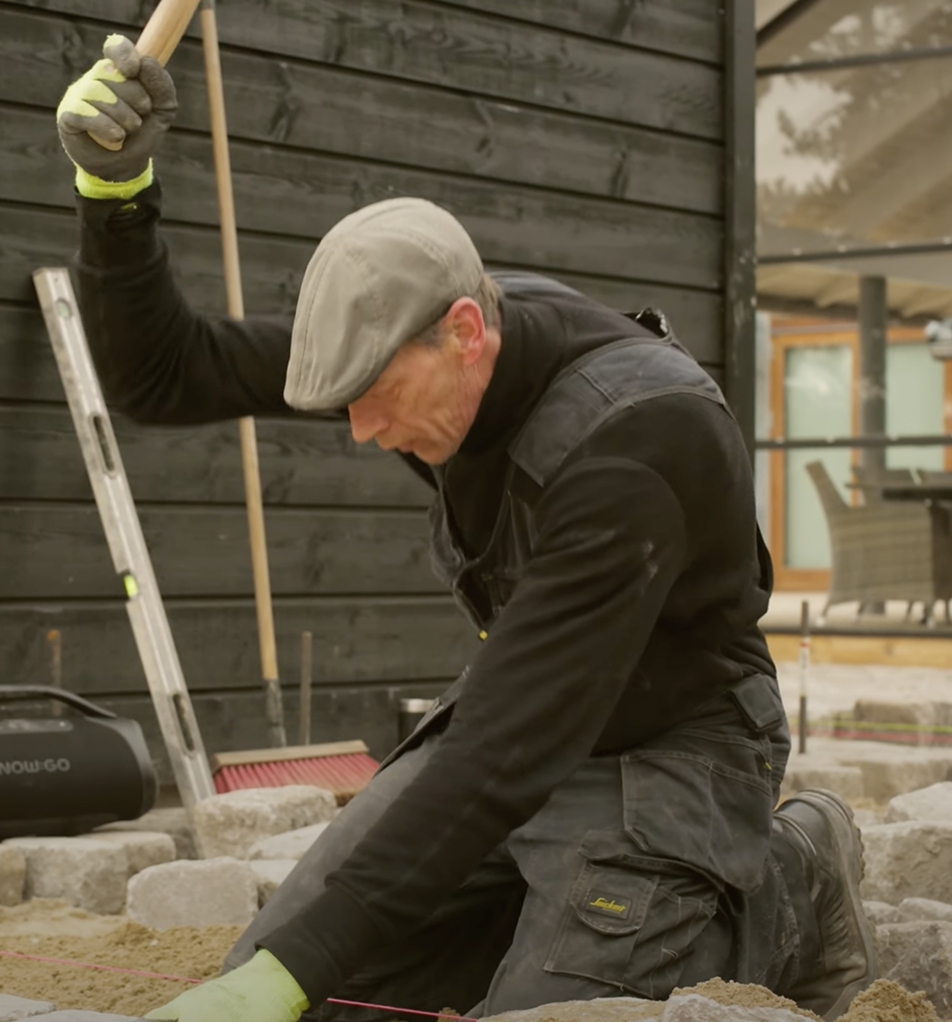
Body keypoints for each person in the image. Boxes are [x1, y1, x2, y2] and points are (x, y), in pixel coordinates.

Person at [54, 34, 879, 1022]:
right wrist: (114, 193)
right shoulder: (418, 342)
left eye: (376, 397)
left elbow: (499, 754)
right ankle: (538, 918)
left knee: (538, 1013)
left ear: (464, 332)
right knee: (302, 990)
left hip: (677, 743)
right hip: (528, 719)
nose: (361, 431)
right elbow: (164, 375)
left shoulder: (635, 448)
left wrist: (290, 970)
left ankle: (789, 882)